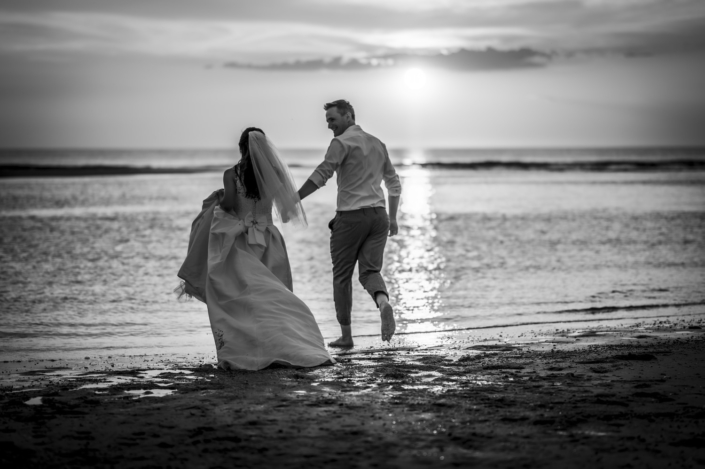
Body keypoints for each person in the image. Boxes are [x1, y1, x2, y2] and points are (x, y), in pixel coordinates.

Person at [177, 127, 334, 370]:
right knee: (273, 296)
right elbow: (285, 207)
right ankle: (285, 344)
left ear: (242, 148)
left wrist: (218, 197)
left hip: (242, 240)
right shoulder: (275, 175)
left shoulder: (232, 173)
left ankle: (249, 350)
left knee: (243, 298)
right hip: (269, 240)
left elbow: (229, 204)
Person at [297, 100, 402, 347]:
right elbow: (394, 184)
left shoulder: (341, 142)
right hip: (379, 217)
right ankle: (384, 304)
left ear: (348, 116)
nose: (329, 126)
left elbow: (323, 173)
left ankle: (346, 337)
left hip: (351, 218)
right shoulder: (378, 143)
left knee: (342, 277)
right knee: (370, 272)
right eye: (327, 121)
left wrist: (295, 198)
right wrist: (394, 218)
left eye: (333, 119)